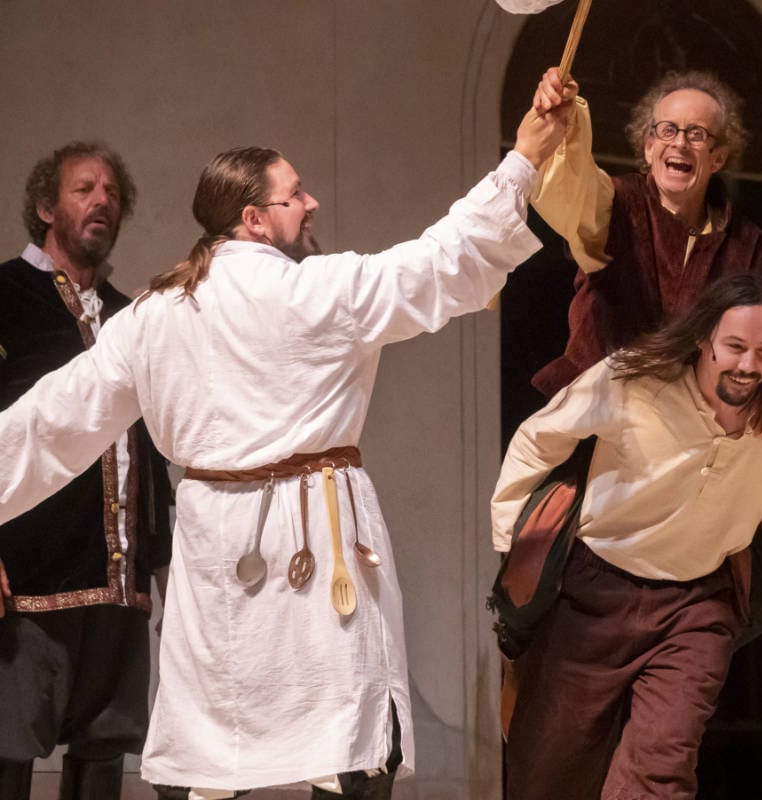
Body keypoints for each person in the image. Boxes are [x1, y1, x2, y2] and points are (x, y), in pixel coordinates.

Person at [0, 99, 572, 799]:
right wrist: (523, 160)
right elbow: (440, 262)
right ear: (253, 218)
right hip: (315, 542)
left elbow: (49, 424)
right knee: (345, 739)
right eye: (294, 194)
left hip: (221, 551)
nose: (310, 203)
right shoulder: (318, 291)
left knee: (215, 747)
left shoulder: (151, 314)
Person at [491, 274, 762, 800]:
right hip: (593, 595)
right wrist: (515, 544)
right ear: (704, 339)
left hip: (698, 605)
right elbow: (538, 439)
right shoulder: (634, 381)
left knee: (661, 773)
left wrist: (739, 536)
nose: (748, 365)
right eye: (735, 346)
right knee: (548, 773)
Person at [0, 142, 172, 800]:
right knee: (7, 750)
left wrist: (164, 565)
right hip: (26, 585)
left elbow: (150, 451)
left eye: (112, 193)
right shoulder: (5, 296)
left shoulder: (132, 317)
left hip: (120, 586)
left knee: (105, 752)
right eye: (83, 189)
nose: (102, 200)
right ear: (46, 207)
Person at [527, 67, 762, 416]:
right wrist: (564, 118)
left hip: (690, 429)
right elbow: (568, 187)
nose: (679, 143)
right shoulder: (615, 205)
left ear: (717, 157)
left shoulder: (744, 244)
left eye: (696, 134)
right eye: (667, 130)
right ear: (649, 147)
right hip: (597, 418)